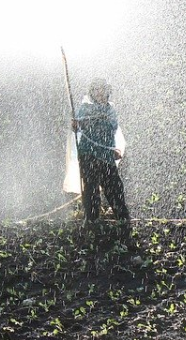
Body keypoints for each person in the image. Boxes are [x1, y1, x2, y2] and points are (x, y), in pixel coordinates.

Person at [72, 78, 130, 230]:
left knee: (113, 185)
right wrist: (76, 124)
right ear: (91, 92)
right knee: (90, 187)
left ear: (107, 91)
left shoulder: (110, 109)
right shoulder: (84, 108)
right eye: (96, 90)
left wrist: (93, 120)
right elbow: (77, 126)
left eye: (102, 89)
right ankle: (92, 219)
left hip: (105, 153)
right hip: (88, 153)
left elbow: (112, 125)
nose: (99, 93)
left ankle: (122, 217)